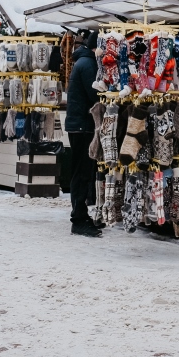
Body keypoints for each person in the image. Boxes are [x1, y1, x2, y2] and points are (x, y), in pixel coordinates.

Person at [65, 36, 101, 237]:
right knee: (82, 172)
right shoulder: (88, 64)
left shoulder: (84, 61)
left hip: (79, 125)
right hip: (82, 126)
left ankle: (81, 214)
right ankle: (78, 218)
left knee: (82, 172)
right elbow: (95, 94)